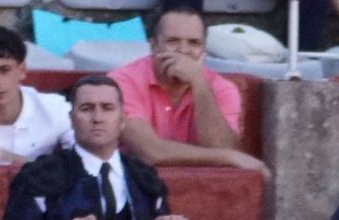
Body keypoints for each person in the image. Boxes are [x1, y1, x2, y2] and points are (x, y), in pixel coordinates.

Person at [2, 75, 189, 220]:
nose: (97, 118)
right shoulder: (37, 177)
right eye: (86, 108)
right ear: (72, 119)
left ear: (123, 119)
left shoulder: (145, 177)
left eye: (107, 108)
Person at [109, 0, 268, 175]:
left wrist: (198, 83)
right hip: (137, 189)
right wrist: (227, 157)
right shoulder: (122, 81)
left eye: (194, 43)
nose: (183, 50)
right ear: (154, 46)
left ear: (204, 49)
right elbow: (150, 152)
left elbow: (221, 147)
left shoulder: (223, 88)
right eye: (173, 41)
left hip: (205, 192)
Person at [0, 27, 73, 165]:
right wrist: (30, 165)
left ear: (22, 70)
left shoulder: (54, 108)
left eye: (4, 70)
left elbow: (85, 151)